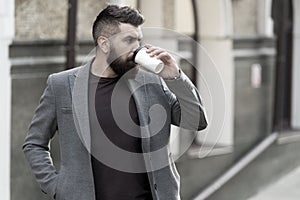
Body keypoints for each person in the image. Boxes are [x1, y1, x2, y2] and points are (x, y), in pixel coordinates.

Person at [23, 4, 207, 200]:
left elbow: (196, 121)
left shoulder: (152, 82)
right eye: (129, 40)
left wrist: (176, 77)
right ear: (104, 44)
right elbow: (34, 143)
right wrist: (56, 187)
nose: (137, 48)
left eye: (139, 40)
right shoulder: (61, 85)